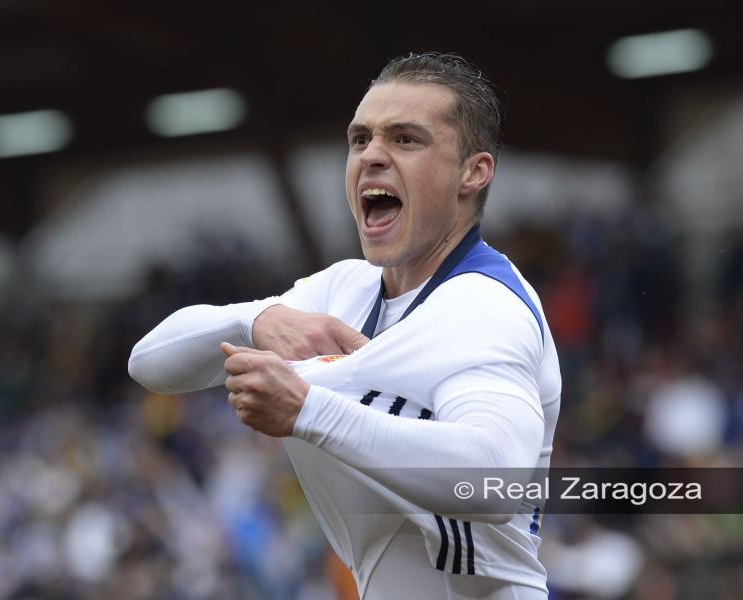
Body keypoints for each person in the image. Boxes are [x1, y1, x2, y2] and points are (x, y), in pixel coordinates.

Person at [129, 52, 561, 599]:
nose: (372, 156)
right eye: (360, 140)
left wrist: (307, 410)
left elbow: (494, 482)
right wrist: (254, 319)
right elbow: (149, 363)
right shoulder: (343, 290)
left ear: (473, 172)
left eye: (406, 139)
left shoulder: (483, 307)